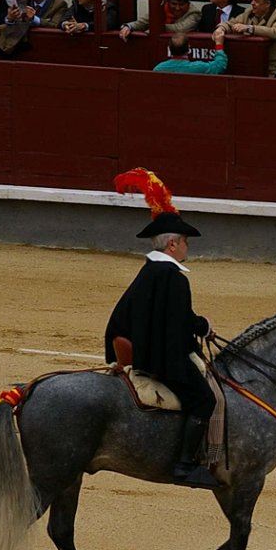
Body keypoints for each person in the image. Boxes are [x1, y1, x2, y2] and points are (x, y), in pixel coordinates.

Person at [104, 169, 219, 489]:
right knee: (204, 400)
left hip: (140, 348)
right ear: (171, 244)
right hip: (159, 356)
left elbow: (125, 315)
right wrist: (200, 330)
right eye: (184, 242)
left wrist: (198, 324)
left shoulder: (151, 271)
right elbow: (179, 325)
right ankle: (183, 466)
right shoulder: (174, 278)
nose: (187, 247)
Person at [227, 0, 276, 75]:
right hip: (252, 63)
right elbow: (232, 23)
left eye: (256, 1)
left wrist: (250, 28)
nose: (252, 3)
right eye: (252, 0)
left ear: (267, 4)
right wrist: (221, 28)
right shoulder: (250, 11)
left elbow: (275, 32)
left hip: (274, 66)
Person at [119, 0, 198, 39]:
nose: (177, 8)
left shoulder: (194, 13)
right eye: (173, 4)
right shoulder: (161, 7)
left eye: (181, 4)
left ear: (188, 3)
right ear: (167, 1)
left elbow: (180, 29)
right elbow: (143, 22)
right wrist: (128, 27)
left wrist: (155, 27)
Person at [153, 25, 230, 72]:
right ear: (188, 48)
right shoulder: (198, 67)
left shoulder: (159, 68)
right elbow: (220, 66)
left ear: (169, 48)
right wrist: (219, 44)